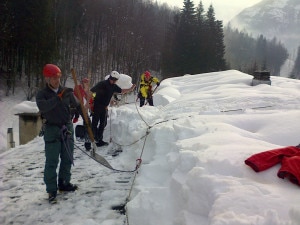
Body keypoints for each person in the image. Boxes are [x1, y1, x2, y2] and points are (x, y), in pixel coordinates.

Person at [36, 64, 80, 204]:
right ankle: (51, 190)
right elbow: (44, 107)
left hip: (66, 127)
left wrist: (78, 108)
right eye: (54, 78)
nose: (57, 81)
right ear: (47, 78)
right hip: (52, 129)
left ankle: (64, 183)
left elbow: (77, 104)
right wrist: (58, 98)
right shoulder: (42, 94)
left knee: (67, 157)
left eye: (59, 78)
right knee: (52, 161)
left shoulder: (65, 91)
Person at [90, 71, 135, 147]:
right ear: (110, 78)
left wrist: (130, 89)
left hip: (104, 107)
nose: (113, 81)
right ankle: (90, 140)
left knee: (103, 123)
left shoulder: (114, 86)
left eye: (115, 80)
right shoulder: (102, 84)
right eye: (112, 79)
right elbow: (92, 91)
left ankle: (99, 140)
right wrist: (91, 102)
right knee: (94, 123)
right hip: (97, 106)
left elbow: (121, 91)